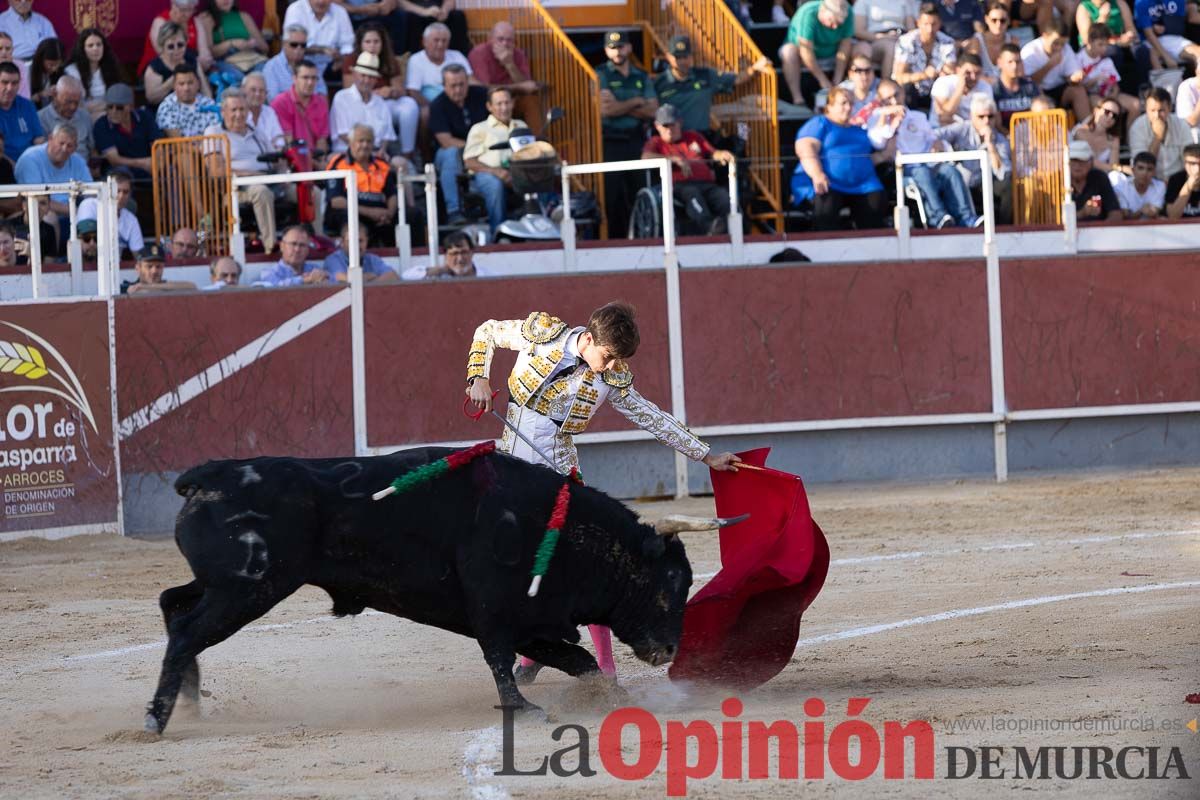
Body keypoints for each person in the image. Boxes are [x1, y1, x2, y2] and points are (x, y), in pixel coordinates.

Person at [464, 302, 739, 683]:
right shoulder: (541, 336)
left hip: (559, 468)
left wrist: (705, 455)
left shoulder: (611, 378)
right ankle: (534, 654)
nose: (610, 368)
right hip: (511, 468)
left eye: (616, 361)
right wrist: (477, 376)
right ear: (589, 339)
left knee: (585, 563)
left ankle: (602, 667)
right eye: (608, 357)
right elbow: (487, 330)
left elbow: (652, 417)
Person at [869, 79, 979, 227]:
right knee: (922, 173)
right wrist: (889, 121)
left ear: (902, 92)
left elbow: (932, 138)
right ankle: (938, 217)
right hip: (905, 170)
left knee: (950, 171)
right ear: (880, 101)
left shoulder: (917, 116)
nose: (894, 100)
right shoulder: (877, 118)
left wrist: (937, 144)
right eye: (887, 98)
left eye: (896, 95)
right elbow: (877, 142)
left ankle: (967, 218)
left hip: (929, 162)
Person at [792, 85, 891, 230]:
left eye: (851, 103)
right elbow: (805, 148)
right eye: (843, 103)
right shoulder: (820, 123)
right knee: (826, 209)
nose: (848, 107)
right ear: (829, 106)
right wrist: (817, 174)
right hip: (829, 183)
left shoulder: (859, 129)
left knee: (876, 207)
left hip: (863, 185)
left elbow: (868, 158)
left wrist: (885, 154)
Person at [203, 88, 279, 253]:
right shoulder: (214, 132)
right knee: (261, 191)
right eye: (234, 110)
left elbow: (274, 159)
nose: (239, 114)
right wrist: (252, 176)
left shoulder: (257, 133)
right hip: (235, 189)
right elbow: (216, 171)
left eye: (242, 109)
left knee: (308, 191)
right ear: (223, 112)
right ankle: (271, 247)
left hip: (268, 179)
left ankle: (312, 239)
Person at [598, 30, 657, 239]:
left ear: (629, 47)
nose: (617, 51)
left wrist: (619, 105)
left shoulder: (641, 75)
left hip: (636, 140)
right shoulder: (600, 74)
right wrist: (636, 102)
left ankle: (644, 239)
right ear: (606, 50)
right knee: (610, 197)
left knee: (640, 193)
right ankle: (612, 242)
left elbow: (653, 111)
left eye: (621, 46)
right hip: (611, 141)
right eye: (613, 47)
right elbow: (606, 110)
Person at [642, 104, 734, 235]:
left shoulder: (693, 136)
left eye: (672, 125)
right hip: (678, 187)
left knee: (723, 197)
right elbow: (645, 157)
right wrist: (673, 159)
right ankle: (710, 227)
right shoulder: (656, 142)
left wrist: (722, 154)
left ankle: (735, 231)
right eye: (665, 126)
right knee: (692, 193)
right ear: (657, 126)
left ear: (680, 122)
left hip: (706, 184)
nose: (669, 130)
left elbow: (712, 153)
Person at [655, 35, 772, 136]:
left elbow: (736, 79)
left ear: (691, 57)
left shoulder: (705, 75)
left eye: (685, 57)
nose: (681, 62)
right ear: (668, 57)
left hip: (701, 138)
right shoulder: (659, 82)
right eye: (677, 57)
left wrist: (755, 68)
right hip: (672, 142)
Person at [343, 22, 417, 160]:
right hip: (362, 103)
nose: (372, 46)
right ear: (360, 43)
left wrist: (390, 91)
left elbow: (400, 90)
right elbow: (349, 91)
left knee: (410, 105)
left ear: (383, 43)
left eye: (376, 41)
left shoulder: (389, 59)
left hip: (387, 102)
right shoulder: (351, 59)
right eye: (368, 42)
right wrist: (373, 93)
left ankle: (408, 153)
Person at [934, 95, 1012, 223]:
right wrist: (939, 144)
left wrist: (991, 146)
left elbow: (1003, 174)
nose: (986, 121)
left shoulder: (1000, 140)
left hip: (983, 184)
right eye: (981, 117)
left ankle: (1003, 228)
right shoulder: (962, 128)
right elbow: (935, 134)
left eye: (990, 116)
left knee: (1007, 187)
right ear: (972, 116)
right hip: (961, 183)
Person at [430, 62, 489, 226]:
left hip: (483, 149)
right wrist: (477, 149)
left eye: (462, 84)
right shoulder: (437, 105)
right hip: (451, 153)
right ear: (444, 86)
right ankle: (454, 211)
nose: (458, 90)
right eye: (453, 85)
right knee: (450, 154)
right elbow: (446, 141)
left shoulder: (482, 95)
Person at [463, 86, 527, 234]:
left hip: (518, 172)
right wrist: (496, 172)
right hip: (487, 174)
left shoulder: (521, 125)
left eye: (507, 102)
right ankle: (498, 232)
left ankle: (544, 220)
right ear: (489, 106)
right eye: (499, 104)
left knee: (540, 177)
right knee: (495, 184)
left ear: (513, 103)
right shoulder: (479, 128)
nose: (504, 108)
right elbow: (469, 161)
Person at [325, 124, 398, 244]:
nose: (365, 145)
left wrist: (389, 213)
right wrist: (370, 212)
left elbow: (392, 195)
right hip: (352, 211)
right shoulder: (338, 164)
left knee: (413, 215)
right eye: (360, 141)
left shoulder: (382, 165)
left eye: (369, 141)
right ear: (350, 143)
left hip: (381, 212)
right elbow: (337, 202)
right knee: (348, 217)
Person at [779, 0, 856, 110]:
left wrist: (837, 79)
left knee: (862, 48)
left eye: (838, 24)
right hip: (803, 54)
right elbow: (806, 50)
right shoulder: (807, 13)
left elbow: (845, 45)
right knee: (788, 52)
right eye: (831, 21)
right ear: (822, 10)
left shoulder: (848, 11)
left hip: (833, 52)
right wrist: (823, 80)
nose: (834, 27)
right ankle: (798, 100)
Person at [469, 21, 540, 127]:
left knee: (530, 100)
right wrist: (518, 87)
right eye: (500, 39)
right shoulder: (479, 53)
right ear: (490, 39)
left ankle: (538, 141)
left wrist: (509, 64)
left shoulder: (518, 53)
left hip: (513, 99)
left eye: (509, 40)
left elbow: (526, 86)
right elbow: (486, 89)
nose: (505, 44)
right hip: (490, 101)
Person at [1020, 19, 1089, 123]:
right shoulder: (1030, 51)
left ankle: (1087, 128)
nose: (1059, 47)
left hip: (1057, 90)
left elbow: (1070, 75)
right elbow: (1028, 82)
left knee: (1078, 90)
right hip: (1036, 92)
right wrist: (1050, 65)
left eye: (1062, 44)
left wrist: (1075, 78)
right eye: (1055, 43)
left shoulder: (1066, 49)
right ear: (1045, 36)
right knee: (1042, 103)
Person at [892, 3, 957, 112]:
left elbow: (950, 70)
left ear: (939, 24)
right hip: (913, 92)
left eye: (933, 24)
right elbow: (899, 77)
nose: (930, 29)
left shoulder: (948, 42)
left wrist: (943, 73)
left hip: (936, 91)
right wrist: (924, 75)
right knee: (906, 87)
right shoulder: (906, 41)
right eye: (926, 24)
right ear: (918, 23)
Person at [330, 52, 397, 156]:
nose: (366, 80)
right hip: (347, 153)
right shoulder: (341, 98)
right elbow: (343, 134)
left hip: (376, 154)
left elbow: (386, 136)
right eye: (363, 75)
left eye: (371, 77)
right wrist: (367, 152)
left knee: (402, 165)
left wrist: (381, 151)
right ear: (354, 75)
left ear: (375, 80)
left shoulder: (380, 103)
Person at [1077, 23, 1141, 129]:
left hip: (1109, 95)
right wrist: (1096, 80)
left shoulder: (1107, 60)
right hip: (1091, 96)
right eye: (1100, 44)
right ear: (1090, 41)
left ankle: (1129, 140)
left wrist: (1113, 96)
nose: (1104, 49)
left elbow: (1116, 85)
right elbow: (1079, 88)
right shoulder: (1078, 59)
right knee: (1106, 108)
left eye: (1106, 45)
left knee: (1136, 104)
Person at [93, 84, 163, 180]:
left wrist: (157, 162)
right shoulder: (101, 125)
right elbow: (115, 160)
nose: (113, 111)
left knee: (171, 170)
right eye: (110, 107)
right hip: (121, 168)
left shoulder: (144, 117)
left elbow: (157, 145)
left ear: (130, 106)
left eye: (119, 107)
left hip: (149, 165)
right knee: (121, 173)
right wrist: (142, 163)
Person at [77, 168, 144, 258]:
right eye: (117, 191)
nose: (121, 196)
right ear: (106, 190)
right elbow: (88, 244)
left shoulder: (131, 220)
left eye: (125, 192)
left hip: (115, 268)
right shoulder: (89, 205)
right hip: (86, 265)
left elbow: (139, 255)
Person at [198, 0, 269, 84]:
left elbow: (265, 48)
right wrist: (232, 43)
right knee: (239, 79)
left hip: (250, 57)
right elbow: (210, 52)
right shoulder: (207, 19)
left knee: (264, 74)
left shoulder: (244, 16)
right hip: (224, 60)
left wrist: (253, 43)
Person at [282, 0, 355, 82]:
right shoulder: (295, 9)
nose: (321, 2)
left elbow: (348, 45)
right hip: (301, 61)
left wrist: (341, 59)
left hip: (332, 65)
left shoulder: (340, 12)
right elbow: (292, 44)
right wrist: (321, 50)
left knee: (350, 65)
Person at [1128, 87, 1192, 181]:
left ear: (1170, 108)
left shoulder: (1181, 125)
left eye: (1161, 110)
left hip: (1177, 179)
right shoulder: (1137, 128)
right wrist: (1158, 137)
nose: (1157, 116)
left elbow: (1188, 157)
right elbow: (1143, 164)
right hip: (1148, 181)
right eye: (1152, 110)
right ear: (1146, 109)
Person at [144, 22, 212, 107]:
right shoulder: (155, 67)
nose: (176, 50)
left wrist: (210, 106)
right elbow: (152, 98)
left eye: (180, 45)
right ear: (162, 47)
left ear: (186, 43)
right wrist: (174, 80)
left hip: (194, 108)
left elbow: (204, 88)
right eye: (170, 47)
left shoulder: (191, 59)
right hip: (166, 112)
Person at [270, 59, 330, 155]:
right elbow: (288, 142)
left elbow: (322, 140)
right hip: (291, 160)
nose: (310, 82)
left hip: (315, 159)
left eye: (314, 78)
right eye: (305, 78)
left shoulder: (321, 103)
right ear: (294, 78)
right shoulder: (280, 103)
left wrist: (320, 162)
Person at [139, 0, 213, 78]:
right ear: (173, 5)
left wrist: (204, 60)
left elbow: (204, 50)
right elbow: (164, 53)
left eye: (191, 9)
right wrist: (193, 64)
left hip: (190, 68)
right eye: (183, 10)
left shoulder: (196, 21)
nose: (187, 14)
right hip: (159, 69)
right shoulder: (160, 22)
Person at [406, 22, 473, 105]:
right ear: (424, 42)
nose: (440, 45)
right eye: (436, 40)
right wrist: (433, 109)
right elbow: (413, 92)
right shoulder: (416, 60)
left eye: (444, 41)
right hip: (430, 105)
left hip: (458, 102)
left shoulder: (457, 56)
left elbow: (471, 81)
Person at [852, 0, 917, 80]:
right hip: (874, 41)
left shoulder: (904, 2)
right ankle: (887, 84)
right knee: (891, 47)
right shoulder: (863, 2)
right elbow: (858, 31)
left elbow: (911, 28)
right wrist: (883, 37)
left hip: (902, 39)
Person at [263, 24, 327, 100]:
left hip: (312, 110)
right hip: (284, 111)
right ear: (284, 44)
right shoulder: (271, 67)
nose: (298, 49)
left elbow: (323, 93)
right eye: (294, 45)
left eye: (303, 45)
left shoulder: (312, 65)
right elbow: (273, 100)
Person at [156, 64, 219, 138]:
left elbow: (216, 136)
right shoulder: (166, 107)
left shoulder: (209, 104)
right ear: (174, 86)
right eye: (181, 84)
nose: (186, 88)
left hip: (210, 148)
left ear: (198, 84)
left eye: (190, 83)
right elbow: (177, 142)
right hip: (180, 148)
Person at [36, 75, 92, 158]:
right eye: (68, 102)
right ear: (55, 96)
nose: (73, 107)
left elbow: (93, 148)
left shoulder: (84, 116)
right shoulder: (41, 118)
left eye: (76, 102)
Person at [322, 219, 397, 281]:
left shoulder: (372, 259)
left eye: (360, 241)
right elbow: (342, 278)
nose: (356, 245)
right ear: (342, 242)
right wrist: (369, 277)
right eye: (351, 241)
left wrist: (370, 284)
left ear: (367, 241)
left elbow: (392, 275)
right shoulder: (333, 259)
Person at [930, 52, 993, 125]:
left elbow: (988, 116)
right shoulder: (942, 83)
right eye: (968, 73)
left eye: (977, 73)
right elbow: (944, 115)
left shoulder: (984, 86)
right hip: (941, 130)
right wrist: (960, 89)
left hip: (972, 130)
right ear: (958, 70)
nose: (973, 77)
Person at [254, 225, 330, 286]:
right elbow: (274, 286)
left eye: (302, 245)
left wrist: (325, 278)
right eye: (293, 244)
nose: (297, 249)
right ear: (282, 246)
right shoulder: (269, 273)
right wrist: (304, 280)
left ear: (308, 250)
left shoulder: (315, 269)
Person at [1135, 0, 1200, 70]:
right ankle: (1164, 79)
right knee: (1152, 55)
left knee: (1197, 53)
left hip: (1173, 38)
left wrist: (1167, 26)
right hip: (1149, 41)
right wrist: (1166, 57)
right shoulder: (1141, 2)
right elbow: (1148, 33)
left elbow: (1182, 24)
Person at [1067, 139, 1121, 222]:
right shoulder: (1057, 181)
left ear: (1091, 162)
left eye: (1082, 160)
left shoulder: (1100, 177)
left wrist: (1100, 231)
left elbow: (1115, 214)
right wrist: (1081, 213)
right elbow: (1051, 220)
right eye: (1073, 160)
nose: (1077, 165)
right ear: (1067, 162)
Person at [402, 230, 491, 279]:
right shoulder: (438, 276)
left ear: (472, 252)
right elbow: (406, 277)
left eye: (464, 252)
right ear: (445, 256)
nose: (460, 259)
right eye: (454, 254)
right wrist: (440, 270)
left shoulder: (489, 276)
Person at [0, 60, 40, 160]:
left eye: (14, 83)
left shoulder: (27, 105)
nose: (10, 88)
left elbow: (38, 138)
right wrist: (14, 167)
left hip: (30, 162)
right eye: (4, 83)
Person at [1072, 96, 1123, 172]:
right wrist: (1121, 168)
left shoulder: (1114, 139)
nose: (1110, 117)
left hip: (1101, 177)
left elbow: (1113, 167)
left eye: (1114, 116)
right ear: (1096, 111)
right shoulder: (1080, 131)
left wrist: (1116, 168)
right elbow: (1089, 162)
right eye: (1107, 112)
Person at [402, 0, 471, 56]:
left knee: (458, 16)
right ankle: (414, 57)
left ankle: (461, 56)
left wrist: (444, 10)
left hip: (438, 12)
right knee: (410, 18)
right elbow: (400, 2)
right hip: (415, 12)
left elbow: (450, 1)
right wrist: (423, 12)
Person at [122, 242, 197, 294]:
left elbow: (192, 286)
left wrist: (147, 287)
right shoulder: (127, 287)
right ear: (138, 268)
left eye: (158, 266)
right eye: (149, 266)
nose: (154, 271)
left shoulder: (169, 286)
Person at [993, 43, 1038, 128]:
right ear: (999, 63)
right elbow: (995, 124)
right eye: (1010, 62)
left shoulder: (1030, 86)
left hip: (1031, 134)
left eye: (1018, 62)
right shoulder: (994, 89)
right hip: (1004, 137)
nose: (1014, 66)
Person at [1110, 150, 1165, 218]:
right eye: (1140, 168)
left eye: (1149, 169)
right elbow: (1125, 218)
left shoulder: (1160, 186)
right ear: (1133, 170)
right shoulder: (1121, 187)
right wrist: (1141, 211)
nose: (1144, 173)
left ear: (1154, 172)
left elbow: (1154, 213)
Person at [241, 73, 285, 149]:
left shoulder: (269, 112)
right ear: (243, 90)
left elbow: (280, 142)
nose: (258, 94)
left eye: (261, 91)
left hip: (270, 159)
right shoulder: (237, 112)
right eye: (253, 90)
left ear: (266, 94)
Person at [974, 0, 1016, 79]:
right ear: (986, 19)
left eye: (1002, 20)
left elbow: (1017, 70)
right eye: (994, 20)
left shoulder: (1013, 41)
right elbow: (973, 71)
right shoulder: (977, 41)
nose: (998, 24)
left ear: (1009, 21)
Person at [840, 53, 883, 123]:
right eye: (858, 71)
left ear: (873, 73)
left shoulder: (883, 88)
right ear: (850, 74)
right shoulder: (841, 91)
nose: (864, 75)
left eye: (867, 70)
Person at [1164, 143, 1200, 218]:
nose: (1197, 169)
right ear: (1185, 164)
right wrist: (1188, 187)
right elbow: (1172, 216)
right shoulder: (1175, 180)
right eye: (1192, 163)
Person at [27, 36, 63, 108]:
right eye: (51, 65)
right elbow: (23, 101)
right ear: (40, 60)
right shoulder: (28, 71)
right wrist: (40, 95)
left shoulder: (61, 70)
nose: (55, 69)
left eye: (58, 64)